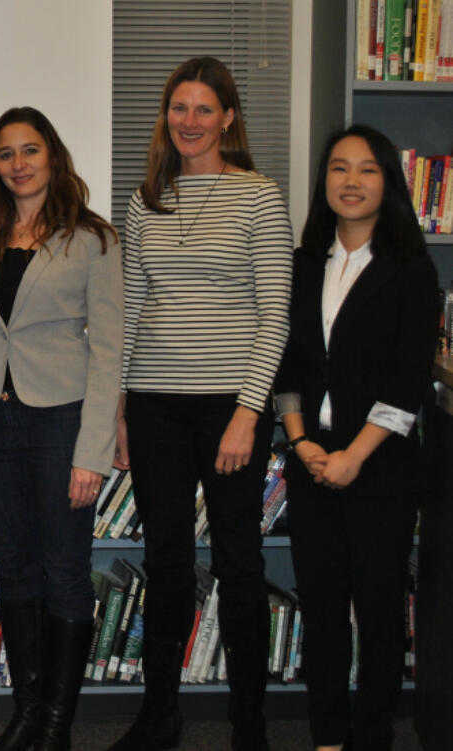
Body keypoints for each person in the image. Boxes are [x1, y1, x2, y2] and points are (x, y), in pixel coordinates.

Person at [112, 57, 293, 751]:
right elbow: (131, 308)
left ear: (228, 118)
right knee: (165, 561)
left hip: (229, 408)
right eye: (177, 108)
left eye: (202, 109)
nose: (188, 121)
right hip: (155, 403)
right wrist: (121, 409)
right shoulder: (146, 199)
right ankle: (159, 717)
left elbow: (274, 314)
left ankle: (250, 726)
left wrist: (249, 412)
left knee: (240, 564)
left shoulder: (259, 196)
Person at [0, 106, 125, 751]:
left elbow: (109, 352)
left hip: (61, 421)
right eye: (5, 153)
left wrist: (92, 453)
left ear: (53, 156)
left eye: (30, 150)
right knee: (15, 568)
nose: (18, 163)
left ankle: (56, 725)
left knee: (65, 570)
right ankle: (26, 715)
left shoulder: (94, 240)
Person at [274, 125, 437, 751]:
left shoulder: (410, 271)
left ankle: (371, 738)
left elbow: (406, 384)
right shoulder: (304, 264)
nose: (350, 181)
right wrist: (299, 442)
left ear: (388, 183)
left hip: (381, 470)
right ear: (324, 182)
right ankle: (328, 738)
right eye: (338, 168)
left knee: (377, 615)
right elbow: (289, 369)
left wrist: (352, 456)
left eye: (366, 170)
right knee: (320, 612)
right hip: (311, 463)